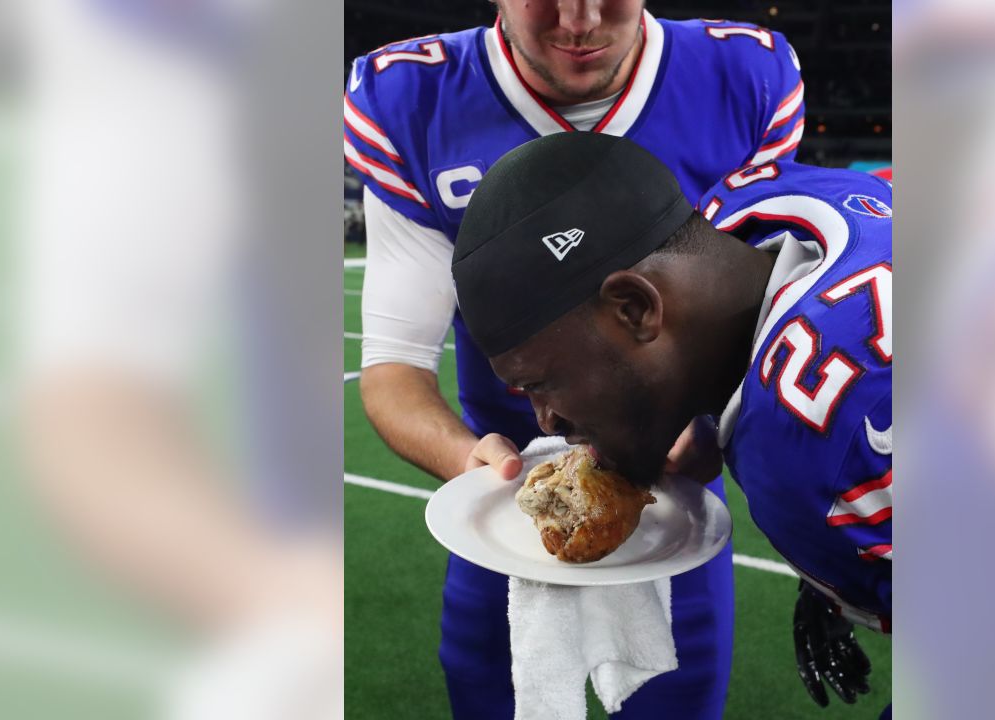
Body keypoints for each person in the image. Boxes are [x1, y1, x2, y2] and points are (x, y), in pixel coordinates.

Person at [342, 1, 805, 717]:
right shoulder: (414, 99)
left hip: (671, 490)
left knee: (675, 698)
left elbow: (766, 306)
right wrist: (478, 465)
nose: (580, 20)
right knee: (490, 690)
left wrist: (712, 428)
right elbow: (394, 367)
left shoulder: (742, 77)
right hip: (508, 493)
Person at [453, 132, 892, 711]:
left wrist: (850, 559)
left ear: (635, 308)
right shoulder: (750, 204)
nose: (549, 420)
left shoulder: (814, 440)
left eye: (540, 383)